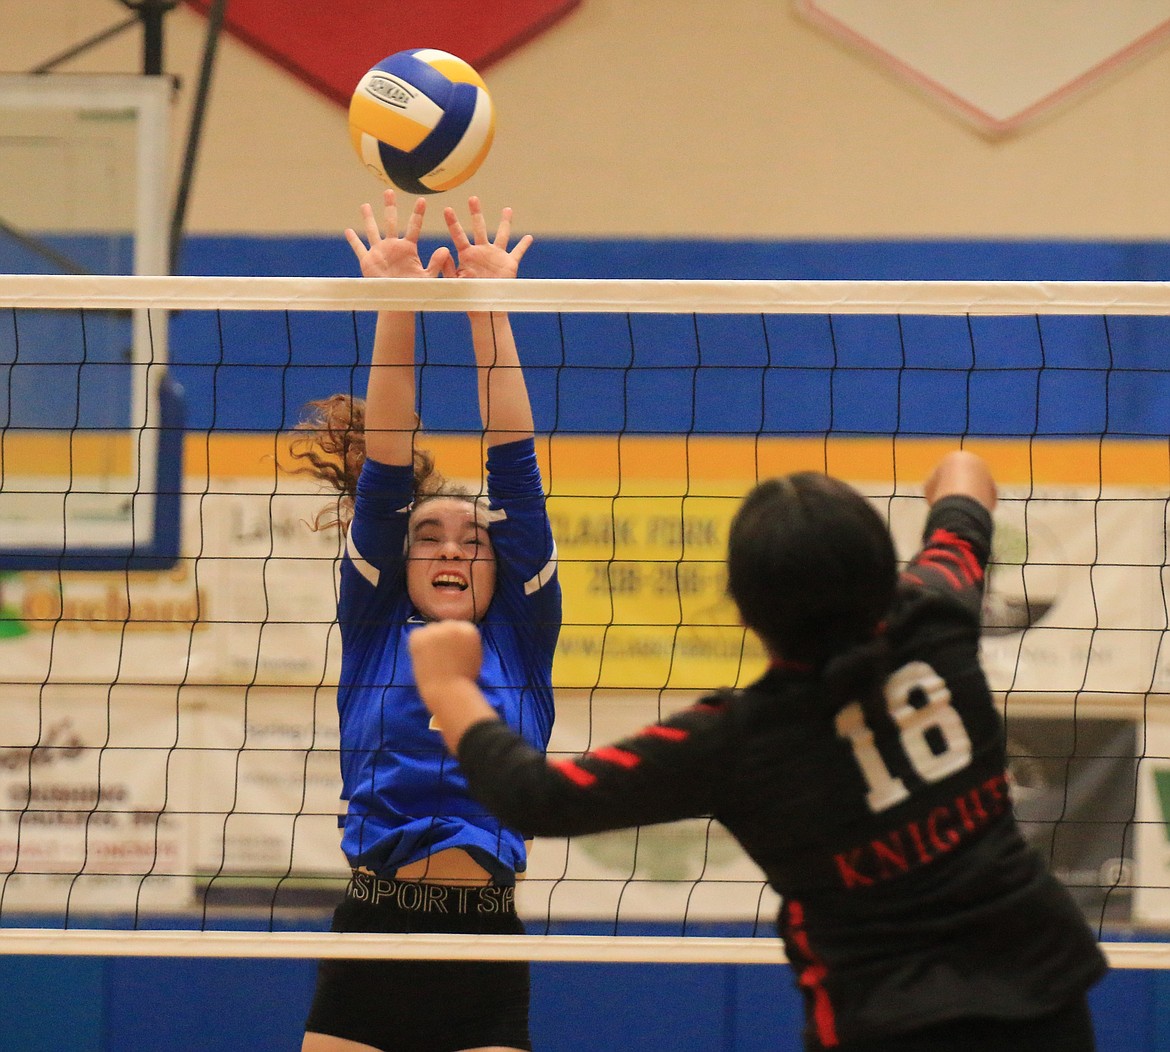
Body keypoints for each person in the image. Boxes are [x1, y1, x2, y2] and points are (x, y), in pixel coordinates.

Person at [410, 450, 1108, 1052]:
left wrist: (448, 686)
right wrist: (950, 482)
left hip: (886, 1023)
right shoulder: (935, 614)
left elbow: (539, 796)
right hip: (1040, 984)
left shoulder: (734, 742)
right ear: (881, 570)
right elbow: (964, 486)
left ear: (745, 611)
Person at [294, 189, 561, 1052]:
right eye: (428, 535)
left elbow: (514, 464)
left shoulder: (522, 629)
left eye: (473, 539)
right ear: (397, 562)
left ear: (502, 565)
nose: (452, 546)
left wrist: (489, 307)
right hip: (372, 931)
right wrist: (397, 301)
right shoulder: (376, 622)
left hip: (483, 940)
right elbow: (388, 456)